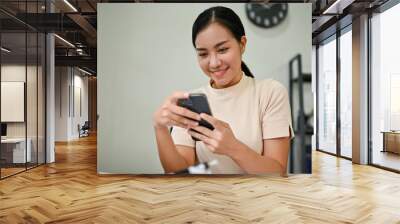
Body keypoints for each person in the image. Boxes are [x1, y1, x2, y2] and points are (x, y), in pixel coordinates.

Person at [153, 6, 294, 175]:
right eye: (203, 54)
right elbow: (179, 172)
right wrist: (160, 128)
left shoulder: (270, 92)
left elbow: (277, 172)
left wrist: (233, 148)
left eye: (222, 50)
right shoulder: (191, 101)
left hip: (257, 197)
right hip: (205, 198)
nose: (213, 63)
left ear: (242, 44)